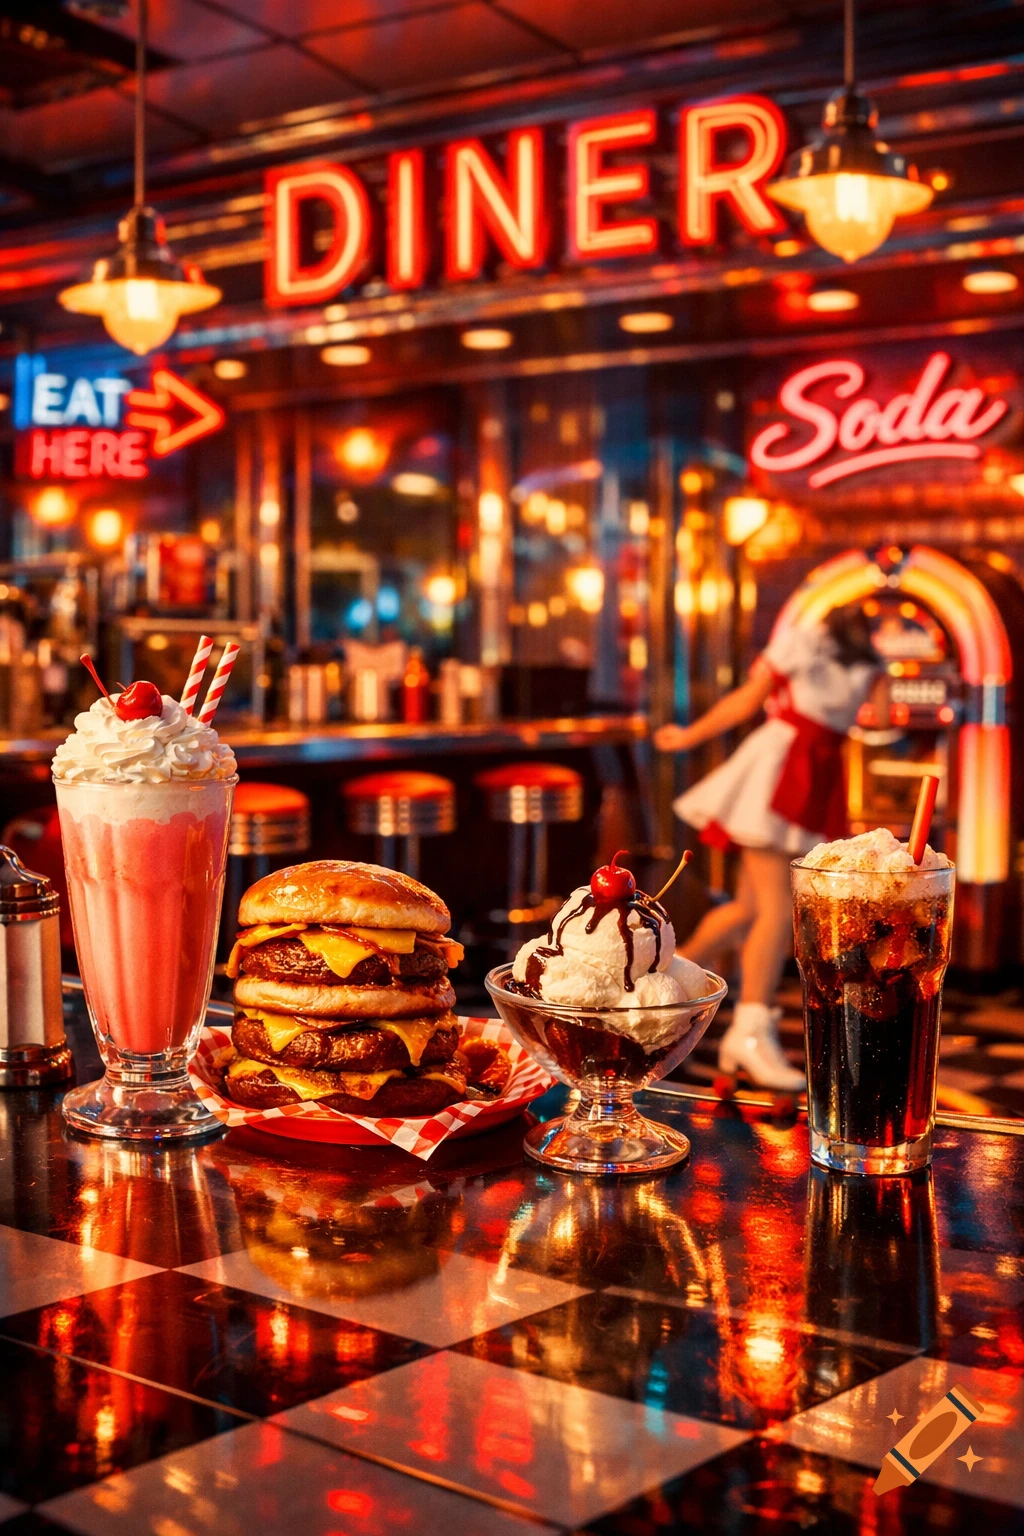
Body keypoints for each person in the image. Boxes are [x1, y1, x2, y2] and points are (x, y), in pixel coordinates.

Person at [654, 605, 880, 1090]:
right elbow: (876, 717)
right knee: (778, 909)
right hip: (788, 768)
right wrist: (689, 736)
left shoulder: (809, 637)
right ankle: (749, 1030)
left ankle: (663, 987)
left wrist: (688, 736)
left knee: (751, 907)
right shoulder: (862, 659)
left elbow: (749, 700)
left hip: (802, 765)